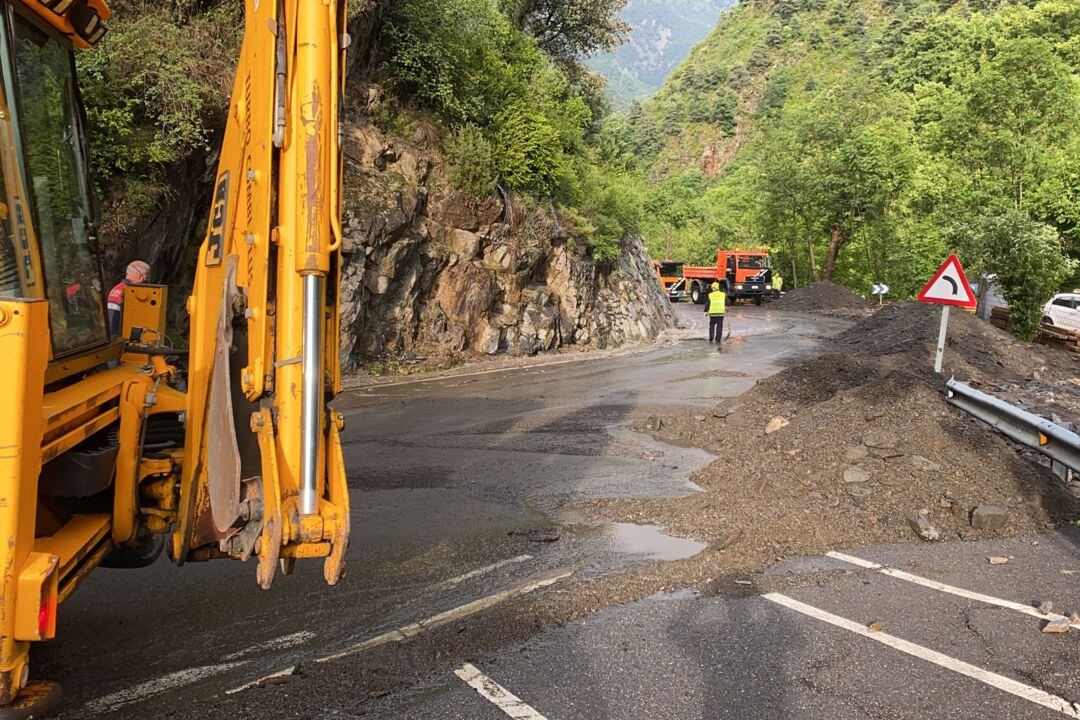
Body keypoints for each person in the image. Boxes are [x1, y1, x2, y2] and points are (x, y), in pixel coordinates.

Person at [107, 260, 150, 337]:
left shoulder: (118, 289)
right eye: (146, 278)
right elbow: (112, 322)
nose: (147, 282)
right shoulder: (125, 292)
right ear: (140, 277)